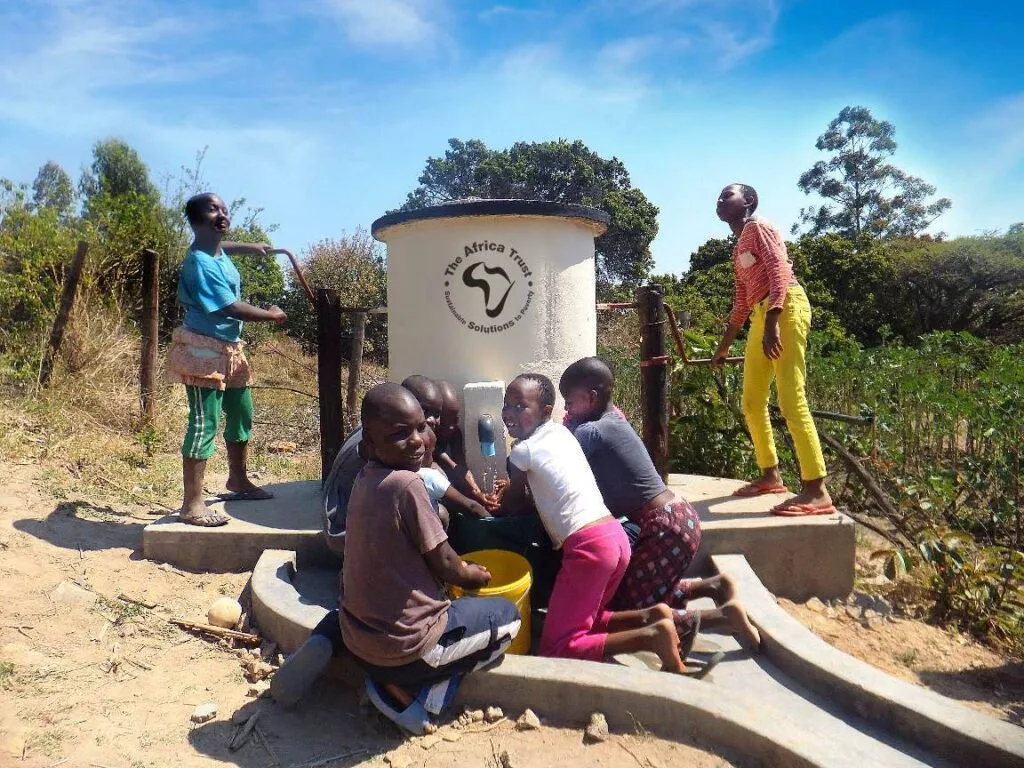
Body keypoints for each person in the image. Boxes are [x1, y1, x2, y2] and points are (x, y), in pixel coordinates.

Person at [340, 383, 521, 733]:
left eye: (420, 427)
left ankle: (385, 678)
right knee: (509, 619)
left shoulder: (366, 478)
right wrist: (475, 575)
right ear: (370, 444)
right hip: (408, 649)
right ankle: (420, 697)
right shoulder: (407, 485)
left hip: (358, 642)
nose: (417, 441)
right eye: (399, 434)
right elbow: (447, 565)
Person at [559, 357, 760, 652]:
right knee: (641, 588)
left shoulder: (590, 432)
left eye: (569, 402)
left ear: (591, 398)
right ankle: (713, 587)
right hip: (679, 516)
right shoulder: (615, 418)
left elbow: (560, 455)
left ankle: (721, 618)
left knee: (631, 609)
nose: (566, 410)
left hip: (663, 527)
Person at [498, 373, 686, 673]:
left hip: (588, 547)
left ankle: (652, 637)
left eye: (520, 406)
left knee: (558, 647)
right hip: (614, 537)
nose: (509, 412)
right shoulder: (562, 434)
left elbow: (516, 502)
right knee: (588, 620)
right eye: (506, 404)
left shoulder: (523, 450)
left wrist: (499, 499)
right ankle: (653, 617)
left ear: (546, 411)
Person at [711, 184, 835, 516]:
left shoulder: (759, 227)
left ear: (748, 201)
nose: (720, 200)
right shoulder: (738, 247)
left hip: (786, 308)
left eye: (728, 195)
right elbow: (741, 301)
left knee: (791, 400)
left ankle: (817, 490)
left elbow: (780, 269)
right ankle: (770, 475)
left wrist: (773, 321)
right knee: (752, 402)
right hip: (761, 315)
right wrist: (723, 347)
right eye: (719, 197)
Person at [166, 192, 286, 527]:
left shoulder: (214, 250)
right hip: (203, 351)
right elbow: (229, 307)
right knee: (204, 422)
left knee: (242, 412)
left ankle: (238, 480)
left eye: (224, 209)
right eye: (212, 209)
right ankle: (192, 505)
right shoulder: (199, 263)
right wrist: (271, 314)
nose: (222, 214)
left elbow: (223, 247)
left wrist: (251, 247)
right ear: (196, 221)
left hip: (231, 349)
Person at [321, 375, 445, 555]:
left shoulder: (383, 429)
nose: (432, 421)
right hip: (344, 534)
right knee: (436, 514)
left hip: (358, 523)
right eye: (425, 411)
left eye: (437, 414)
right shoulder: (378, 444)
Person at [417, 422, 492, 529]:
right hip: (428, 532)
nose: (433, 458)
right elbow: (472, 506)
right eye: (432, 452)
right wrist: (493, 523)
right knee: (443, 513)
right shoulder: (429, 476)